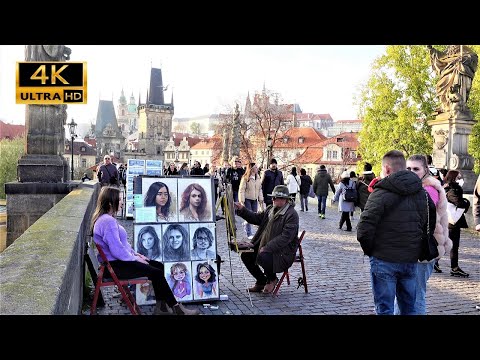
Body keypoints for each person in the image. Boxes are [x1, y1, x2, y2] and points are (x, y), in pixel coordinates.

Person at [91, 186, 199, 315]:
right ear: (110, 202)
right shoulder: (107, 221)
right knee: (156, 273)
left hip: (116, 264)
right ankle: (176, 307)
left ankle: (162, 307)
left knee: (159, 266)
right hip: (116, 266)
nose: (122, 202)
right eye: (119, 200)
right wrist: (134, 258)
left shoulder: (106, 219)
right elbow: (116, 250)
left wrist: (136, 254)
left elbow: (121, 245)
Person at [357, 150, 434, 315]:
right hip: (410, 259)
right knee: (409, 308)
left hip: (384, 258)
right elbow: (429, 224)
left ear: (386, 169)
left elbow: (364, 228)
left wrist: (372, 251)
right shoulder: (421, 192)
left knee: (385, 309)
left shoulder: (381, 192)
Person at [394, 154, 452, 315]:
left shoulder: (429, 190)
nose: (411, 172)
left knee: (415, 297)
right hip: (410, 249)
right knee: (403, 296)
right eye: (408, 168)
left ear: (425, 170)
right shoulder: (412, 188)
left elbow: (417, 218)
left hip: (422, 249)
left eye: (416, 169)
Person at [234, 184, 299, 294]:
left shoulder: (291, 214)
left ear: (285, 200)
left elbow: (285, 237)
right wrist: (242, 209)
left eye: (275, 198)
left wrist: (267, 247)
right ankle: (261, 281)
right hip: (265, 246)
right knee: (246, 255)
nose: (272, 199)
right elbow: (256, 218)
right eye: (272, 197)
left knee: (263, 254)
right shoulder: (270, 209)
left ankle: (272, 279)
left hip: (283, 251)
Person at [427, 45, 478, 114]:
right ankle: (444, 106)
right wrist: (431, 49)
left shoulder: (463, 48)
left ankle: (456, 105)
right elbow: (441, 57)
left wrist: (463, 59)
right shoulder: (448, 49)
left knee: (456, 83)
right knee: (440, 86)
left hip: (457, 70)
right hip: (447, 71)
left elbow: (473, 57)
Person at [439, 170, 470, 277]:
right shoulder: (453, 189)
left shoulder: (447, 187)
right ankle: (454, 268)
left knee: (446, 244)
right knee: (453, 245)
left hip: (449, 220)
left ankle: (436, 262)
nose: (461, 178)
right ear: (454, 177)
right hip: (453, 221)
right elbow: (458, 202)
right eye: (459, 176)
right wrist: (466, 202)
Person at [238, 162, 264, 239]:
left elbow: (259, 189)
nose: (257, 168)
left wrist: (261, 198)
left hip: (254, 199)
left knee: (254, 216)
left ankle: (246, 224)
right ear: (251, 169)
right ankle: (249, 233)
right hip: (247, 199)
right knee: (249, 215)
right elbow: (241, 190)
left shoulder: (258, 177)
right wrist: (242, 201)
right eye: (255, 167)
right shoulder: (245, 178)